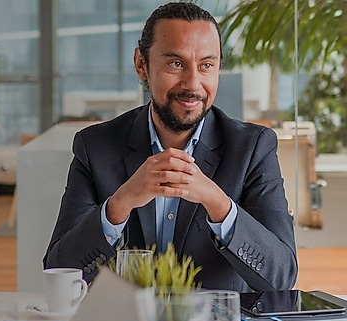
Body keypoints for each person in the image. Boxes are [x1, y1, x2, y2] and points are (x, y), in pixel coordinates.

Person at [44, 2, 297, 293]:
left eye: (206, 65)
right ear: (142, 64)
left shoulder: (253, 148)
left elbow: (282, 278)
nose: (192, 83)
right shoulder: (95, 147)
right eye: (176, 64)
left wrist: (219, 204)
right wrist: (119, 204)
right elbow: (57, 272)